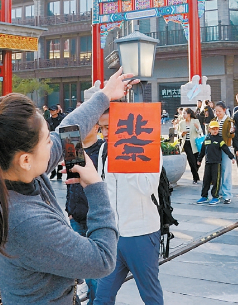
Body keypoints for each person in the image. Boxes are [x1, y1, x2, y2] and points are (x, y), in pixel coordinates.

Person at [0, 68, 133, 304]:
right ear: (25, 159)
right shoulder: (25, 221)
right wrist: (95, 185)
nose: (54, 142)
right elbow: (103, 260)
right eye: (47, 140)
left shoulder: (14, 174)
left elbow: (67, 133)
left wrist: (105, 95)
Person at [95, 109, 165, 305]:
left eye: (108, 127)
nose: (104, 133)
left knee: (150, 296)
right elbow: (104, 188)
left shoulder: (149, 147)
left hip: (141, 234)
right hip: (113, 236)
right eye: (101, 128)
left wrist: (126, 158)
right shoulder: (104, 149)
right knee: (102, 297)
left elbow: (148, 186)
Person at [65, 83, 108, 303]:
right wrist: (69, 210)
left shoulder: (103, 149)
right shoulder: (72, 147)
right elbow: (70, 183)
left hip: (95, 216)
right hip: (76, 216)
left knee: (96, 270)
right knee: (82, 268)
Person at [196, 120, 235, 205]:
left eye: (217, 129)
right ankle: (204, 196)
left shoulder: (219, 139)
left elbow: (225, 148)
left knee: (216, 180)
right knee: (206, 180)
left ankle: (215, 197)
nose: (215, 131)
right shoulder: (207, 138)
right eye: (213, 129)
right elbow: (202, 150)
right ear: (209, 129)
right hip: (208, 163)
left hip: (216, 163)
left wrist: (231, 157)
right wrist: (199, 159)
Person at [214, 101, 235, 203]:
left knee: (226, 171)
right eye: (216, 111)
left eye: (219, 111)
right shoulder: (214, 120)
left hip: (225, 148)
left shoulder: (228, 121)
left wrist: (231, 131)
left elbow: (231, 135)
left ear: (224, 110)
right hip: (215, 148)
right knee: (217, 171)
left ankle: (227, 194)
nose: (218, 113)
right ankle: (218, 192)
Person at [179, 108, 203, 185]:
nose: (183, 115)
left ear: (189, 114)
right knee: (191, 161)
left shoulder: (195, 121)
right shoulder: (181, 123)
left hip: (195, 143)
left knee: (197, 161)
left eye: (184, 113)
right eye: (182, 113)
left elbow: (200, 131)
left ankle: (196, 174)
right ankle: (195, 178)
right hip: (186, 144)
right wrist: (182, 134)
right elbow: (179, 133)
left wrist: (197, 128)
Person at [47, 105, 66, 180]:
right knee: (51, 154)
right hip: (51, 138)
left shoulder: (62, 119)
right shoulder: (48, 120)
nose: (52, 112)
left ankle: (59, 173)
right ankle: (53, 171)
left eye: (53, 110)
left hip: (61, 138)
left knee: (60, 156)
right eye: (51, 110)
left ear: (57, 111)